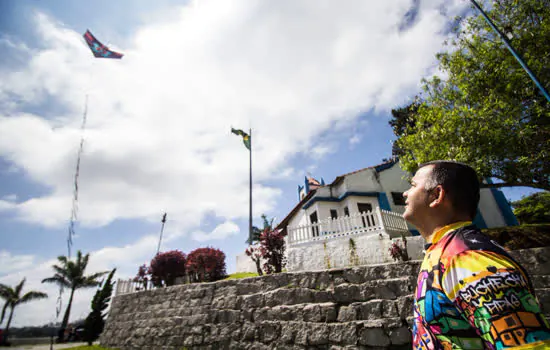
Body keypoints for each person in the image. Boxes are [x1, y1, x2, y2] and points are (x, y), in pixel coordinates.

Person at [403, 160, 550, 349]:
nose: (405, 193)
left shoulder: (468, 259)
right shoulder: (444, 251)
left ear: (436, 195)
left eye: (413, 186)